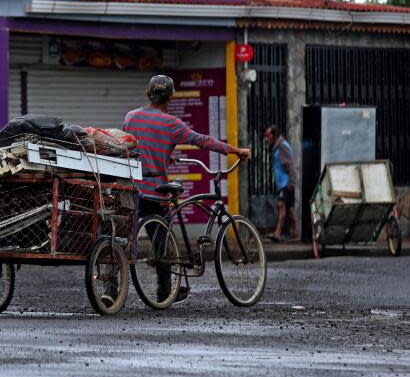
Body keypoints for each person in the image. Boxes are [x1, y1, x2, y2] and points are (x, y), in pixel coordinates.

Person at [122, 74, 251, 304]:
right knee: (161, 241)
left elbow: (134, 147)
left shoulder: (131, 117)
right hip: (154, 190)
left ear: (147, 94)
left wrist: (165, 156)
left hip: (130, 188)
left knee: (122, 238)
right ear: (171, 97)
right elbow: (202, 140)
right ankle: (164, 292)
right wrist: (234, 150)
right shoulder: (172, 124)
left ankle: (113, 290)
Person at [263, 124, 298, 242]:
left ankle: (277, 233)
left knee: (281, 206)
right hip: (282, 184)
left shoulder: (282, 146)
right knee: (288, 209)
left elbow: (291, 166)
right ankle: (295, 232)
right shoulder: (277, 147)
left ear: (273, 135)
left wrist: (291, 184)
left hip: (286, 183)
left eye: (268, 136)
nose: (266, 139)